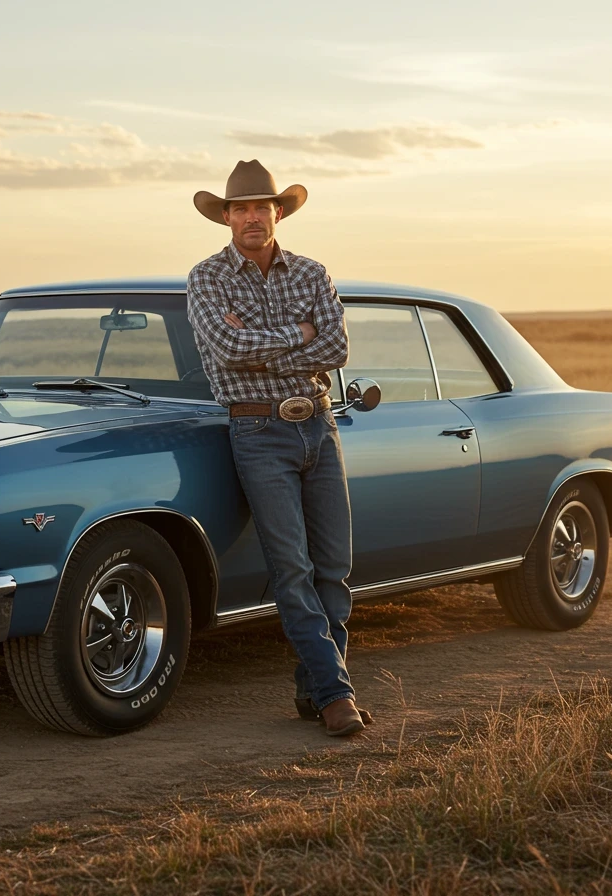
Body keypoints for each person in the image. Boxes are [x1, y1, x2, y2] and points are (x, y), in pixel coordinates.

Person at [186, 159, 371, 737]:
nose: (251, 218)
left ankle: (315, 683)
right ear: (224, 217)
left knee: (335, 568)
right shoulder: (208, 278)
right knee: (292, 568)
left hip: (319, 425)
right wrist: (300, 335)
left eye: (261, 207)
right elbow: (226, 351)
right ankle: (337, 693)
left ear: (278, 213)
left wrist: (261, 341)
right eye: (239, 208)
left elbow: (337, 348)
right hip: (257, 432)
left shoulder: (311, 272)